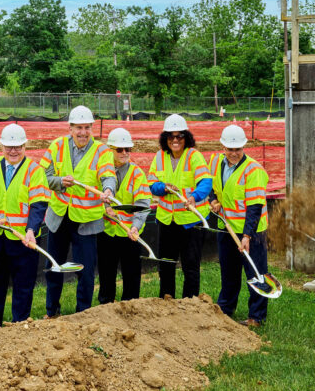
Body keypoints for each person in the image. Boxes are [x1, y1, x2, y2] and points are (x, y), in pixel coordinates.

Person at [40, 105, 115, 315]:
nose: (83, 132)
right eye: (78, 128)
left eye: (87, 127)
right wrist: (59, 182)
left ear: (92, 128)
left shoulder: (102, 151)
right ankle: (52, 310)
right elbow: (41, 177)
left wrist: (108, 189)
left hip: (87, 221)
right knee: (54, 266)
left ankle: (83, 313)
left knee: (86, 270)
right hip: (59, 217)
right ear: (70, 128)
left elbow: (108, 174)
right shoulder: (56, 146)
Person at [0, 124, 50, 325]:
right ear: (2, 146)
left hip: (24, 240)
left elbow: (38, 204)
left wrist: (31, 230)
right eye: (9, 146)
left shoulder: (34, 171)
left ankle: (20, 323)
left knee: (23, 285)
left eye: (18, 146)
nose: (13, 151)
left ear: (25, 146)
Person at [209, 125, 269, 327]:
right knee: (228, 271)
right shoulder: (216, 161)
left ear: (244, 147)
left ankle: (257, 316)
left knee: (255, 272)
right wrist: (214, 200)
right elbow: (214, 186)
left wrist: (247, 236)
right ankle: (225, 309)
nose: (234, 153)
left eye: (238, 149)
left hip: (252, 231)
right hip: (226, 227)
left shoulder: (254, 170)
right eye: (230, 149)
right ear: (223, 147)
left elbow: (254, 207)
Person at [148, 114, 212, 298]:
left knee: (190, 266)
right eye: (171, 136)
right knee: (166, 264)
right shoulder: (159, 157)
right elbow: (151, 183)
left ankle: (189, 304)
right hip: (167, 220)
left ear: (186, 137)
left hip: (191, 222)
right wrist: (163, 187)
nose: (175, 140)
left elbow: (206, 182)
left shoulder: (194, 156)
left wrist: (194, 196)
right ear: (165, 138)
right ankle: (167, 300)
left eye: (179, 136)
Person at [97, 128, 151, 304]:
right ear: (110, 150)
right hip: (107, 231)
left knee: (131, 273)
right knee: (106, 272)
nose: (124, 153)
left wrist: (135, 227)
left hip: (130, 233)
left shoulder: (136, 174)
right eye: (119, 149)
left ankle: (130, 306)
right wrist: (104, 208)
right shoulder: (101, 171)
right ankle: (106, 306)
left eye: (127, 149)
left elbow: (142, 205)